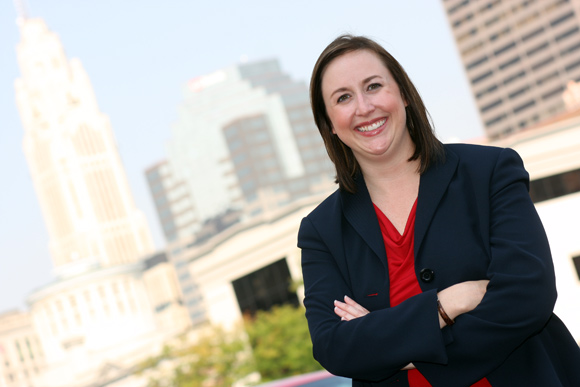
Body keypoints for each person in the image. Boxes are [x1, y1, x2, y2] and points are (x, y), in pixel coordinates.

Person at [298, 34, 580, 387]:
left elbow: (528, 296)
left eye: (373, 86)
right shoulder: (321, 231)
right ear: (329, 124)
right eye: (343, 98)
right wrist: (446, 305)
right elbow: (335, 347)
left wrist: (396, 349)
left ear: (402, 93)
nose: (364, 107)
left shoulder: (489, 171)